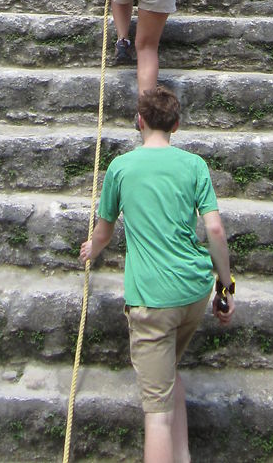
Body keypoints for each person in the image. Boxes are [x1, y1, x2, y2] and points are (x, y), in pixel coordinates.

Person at [79, 84, 235, 463]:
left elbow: (104, 230)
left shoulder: (120, 167)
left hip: (152, 298)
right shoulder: (194, 165)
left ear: (140, 121)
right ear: (176, 125)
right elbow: (214, 230)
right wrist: (225, 287)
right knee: (170, 379)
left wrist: (92, 250)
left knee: (157, 416)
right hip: (194, 293)